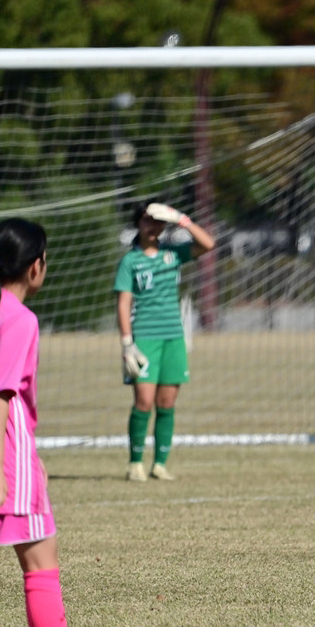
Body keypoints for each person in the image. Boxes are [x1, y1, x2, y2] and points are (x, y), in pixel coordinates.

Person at [0, 219, 112, 627]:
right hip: (2, 455)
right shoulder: (19, 319)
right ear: (34, 267)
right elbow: (1, 394)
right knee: (41, 561)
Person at [114, 201, 215, 482]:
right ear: (138, 224)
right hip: (144, 338)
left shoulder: (173, 254)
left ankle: (159, 464)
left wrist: (182, 219)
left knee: (167, 402)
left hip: (173, 337)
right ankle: (135, 463)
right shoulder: (130, 261)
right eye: (147, 220)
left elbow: (208, 244)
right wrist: (127, 343)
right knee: (144, 401)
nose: (152, 226)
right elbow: (123, 304)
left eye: (157, 221)